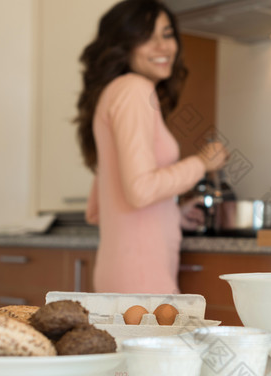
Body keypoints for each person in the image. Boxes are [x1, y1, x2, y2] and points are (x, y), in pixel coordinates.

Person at [76, 0, 227, 294]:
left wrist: (173, 214)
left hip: (120, 272)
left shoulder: (112, 93)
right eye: (147, 36)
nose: (163, 46)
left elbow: (97, 209)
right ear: (123, 45)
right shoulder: (135, 89)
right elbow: (140, 190)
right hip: (143, 279)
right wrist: (202, 163)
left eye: (167, 34)